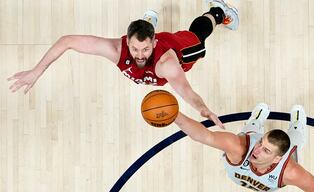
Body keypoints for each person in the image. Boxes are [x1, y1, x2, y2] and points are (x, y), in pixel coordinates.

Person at [7, 0, 239, 129]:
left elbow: (186, 90)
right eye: (135, 48)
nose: (139, 55)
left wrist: (202, 108)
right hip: (149, 39)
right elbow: (67, 41)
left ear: (154, 42)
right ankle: (146, 23)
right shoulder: (117, 50)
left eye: (145, 48)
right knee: (141, 40)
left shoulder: (166, 63)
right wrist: (36, 72)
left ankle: (217, 12)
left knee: (197, 36)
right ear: (127, 41)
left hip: (180, 50)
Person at [174, 103, 314, 192]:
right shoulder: (240, 148)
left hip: (268, 178)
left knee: (295, 139)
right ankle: (256, 119)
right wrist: (174, 115)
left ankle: (297, 125)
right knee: (251, 130)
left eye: (266, 150)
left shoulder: (290, 171)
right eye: (260, 144)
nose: (256, 150)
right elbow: (203, 135)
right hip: (241, 168)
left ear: (277, 159)